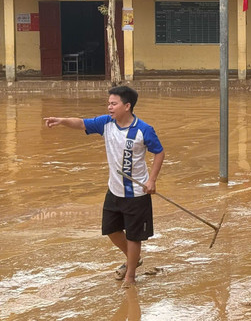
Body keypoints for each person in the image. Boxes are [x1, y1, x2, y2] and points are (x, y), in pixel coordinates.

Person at [44, 85, 165, 288]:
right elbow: (82, 123)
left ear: (127, 106)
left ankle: (131, 277)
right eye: (108, 103)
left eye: (113, 103)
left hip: (136, 193)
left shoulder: (144, 130)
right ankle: (133, 259)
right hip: (114, 190)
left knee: (135, 236)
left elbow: (159, 153)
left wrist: (151, 180)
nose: (109, 107)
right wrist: (62, 121)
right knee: (111, 230)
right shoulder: (106, 123)